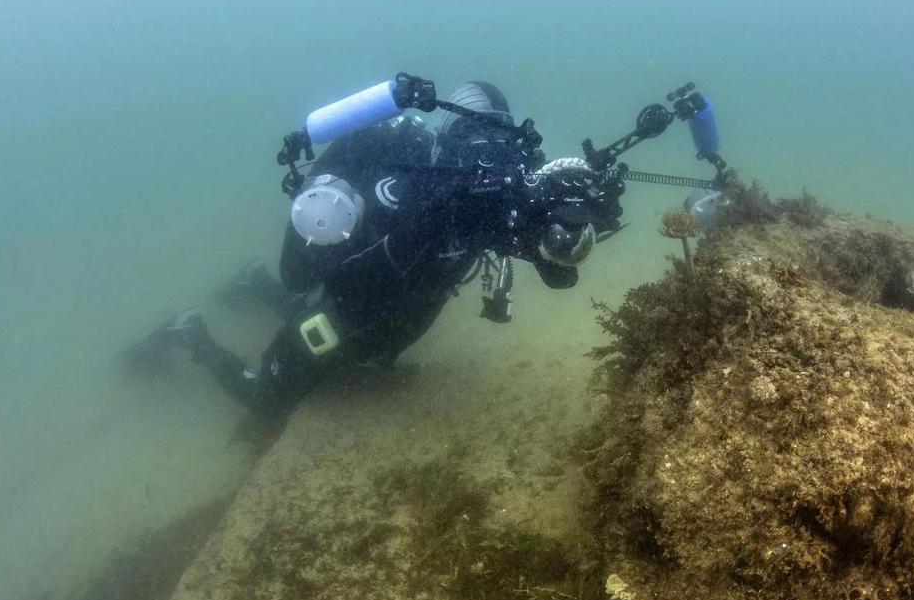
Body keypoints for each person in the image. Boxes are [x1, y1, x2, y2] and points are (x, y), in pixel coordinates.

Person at [123, 82, 623, 428]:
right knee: (266, 402)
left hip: (388, 323)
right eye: (478, 139)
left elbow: (545, 257)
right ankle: (192, 333)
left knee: (368, 363)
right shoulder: (415, 169)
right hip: (345, 306)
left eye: (494, 140)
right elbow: (383, 230)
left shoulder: (493, 195)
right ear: (454, 131)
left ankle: (253, 283)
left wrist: (573, 223)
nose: (484, 154)